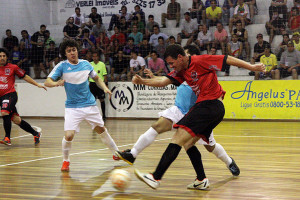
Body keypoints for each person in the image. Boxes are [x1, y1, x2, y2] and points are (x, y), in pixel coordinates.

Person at [131, 44, 265, 190]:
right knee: (188, 144)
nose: (171, 67)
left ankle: (155, 177)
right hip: (214, 110)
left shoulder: (200, 60)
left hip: (209, 105)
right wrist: (143, 82)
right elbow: (163, 81)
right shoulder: (181, 71)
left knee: (178, 138)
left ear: (180, 57)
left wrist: (252, 67)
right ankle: (201, 179)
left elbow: (227, 59)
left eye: (171, 63)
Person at [116, 45, 240, 180]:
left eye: (185, 54)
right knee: (157, 126)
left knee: (208, 146)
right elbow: (165, 79)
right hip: (179, 109)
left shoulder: (200, 70)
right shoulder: (181, 71)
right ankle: (133, 154)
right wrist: (150, 78)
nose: (179, 60)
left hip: (196, 114)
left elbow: (164, 80)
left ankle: (228, 162)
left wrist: (151, 79)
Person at [44, 40, 120, 172]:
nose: (72, 53)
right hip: (72, 107)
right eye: (69, 51)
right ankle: (66, 161)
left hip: (89, 105)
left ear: (77, 50)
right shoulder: (62, 66)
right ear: (65, 54)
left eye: (74, 49)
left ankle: (117, 153)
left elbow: (97, 78)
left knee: (101, 130)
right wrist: (57, 83)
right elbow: (47, 82)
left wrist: (105, 88)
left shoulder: (86, 64)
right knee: (69, 136)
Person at [0, 48, 45, 146]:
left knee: (4, 112)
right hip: (1, 98)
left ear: (7, 57)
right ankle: (36, 133)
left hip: (10, 95)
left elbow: (25, 76)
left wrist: (37, 84)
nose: (2, 58)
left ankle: (7, 138)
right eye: (0, 56)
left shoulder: (13, 67)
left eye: (4, 56)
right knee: (16, 120)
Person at [89, 51, 107, 120]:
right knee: (92, 100)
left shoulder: (102, 64)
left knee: (101, 99)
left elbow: (104, 75)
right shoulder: (90, 64)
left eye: (96, 56)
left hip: (100, 84)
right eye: (93, 56)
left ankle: (104, 115)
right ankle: (93, 115)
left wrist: (105, 85)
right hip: (92, 83)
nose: (95, 58)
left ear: (98, 57)